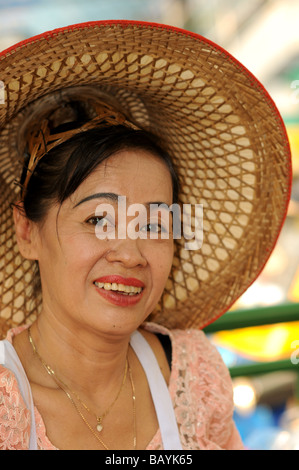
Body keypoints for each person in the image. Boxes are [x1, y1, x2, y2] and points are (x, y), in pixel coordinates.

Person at [0, 20, 292, 450]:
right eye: (99, 220)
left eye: (155, 225)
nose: (131, 254)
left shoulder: (192, 374)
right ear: (28, 231)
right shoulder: (8, 409)